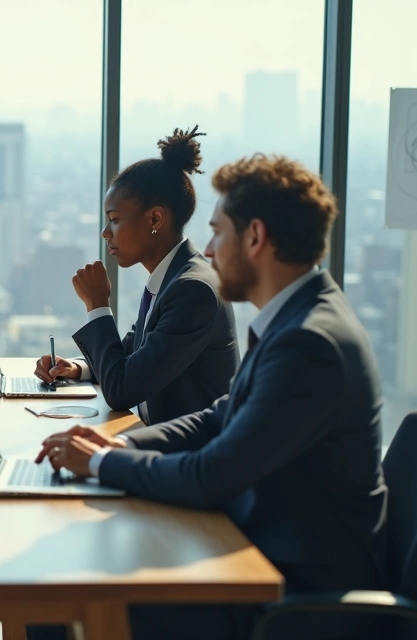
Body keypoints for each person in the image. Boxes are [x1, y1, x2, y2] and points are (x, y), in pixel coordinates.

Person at [32, 155, 388, 640]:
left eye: (219, 234)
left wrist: (100, 464)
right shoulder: (298, 319)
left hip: (293, 586)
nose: (212, 252)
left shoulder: (310, 342)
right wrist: (121, 447)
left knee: (59, 604)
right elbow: (219, 416)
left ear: (256, 238)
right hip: (262, 543)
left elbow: (212, 474)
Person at [35, 126, 237, 425]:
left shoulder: (193, 290)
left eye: (115, 220)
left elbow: (121, 390)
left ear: (155, 218)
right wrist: (77, 369)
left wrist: (98, 305)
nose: (105, 233)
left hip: (187, 458)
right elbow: (131, 357)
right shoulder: (171, 279)